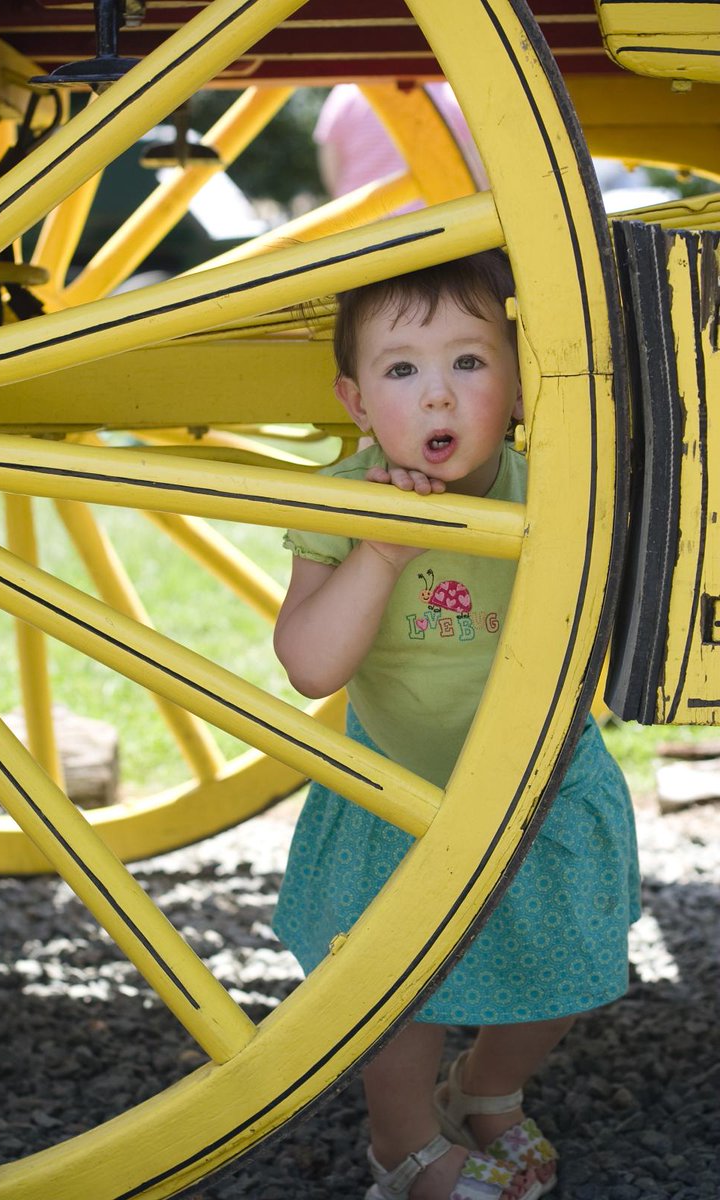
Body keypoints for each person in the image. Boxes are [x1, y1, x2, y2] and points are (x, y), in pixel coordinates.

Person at [271, 250, 641, 1200]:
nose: (438, 397)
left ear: (520, 381)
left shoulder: (556, 485)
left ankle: (488, 1088)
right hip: (399, 787)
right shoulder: (344, 499)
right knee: (398, 994)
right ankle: (402, 1149)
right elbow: (311, 663)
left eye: (469, 363)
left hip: (542, 777)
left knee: (571, 967)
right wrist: (383, 552)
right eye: (403, 370)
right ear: (356, 403)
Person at [314, 83, 487, 214]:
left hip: (362, 228)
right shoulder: (446, 95)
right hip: (435, 224)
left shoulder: (343, 96)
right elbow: (477, 170)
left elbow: (332, 170)